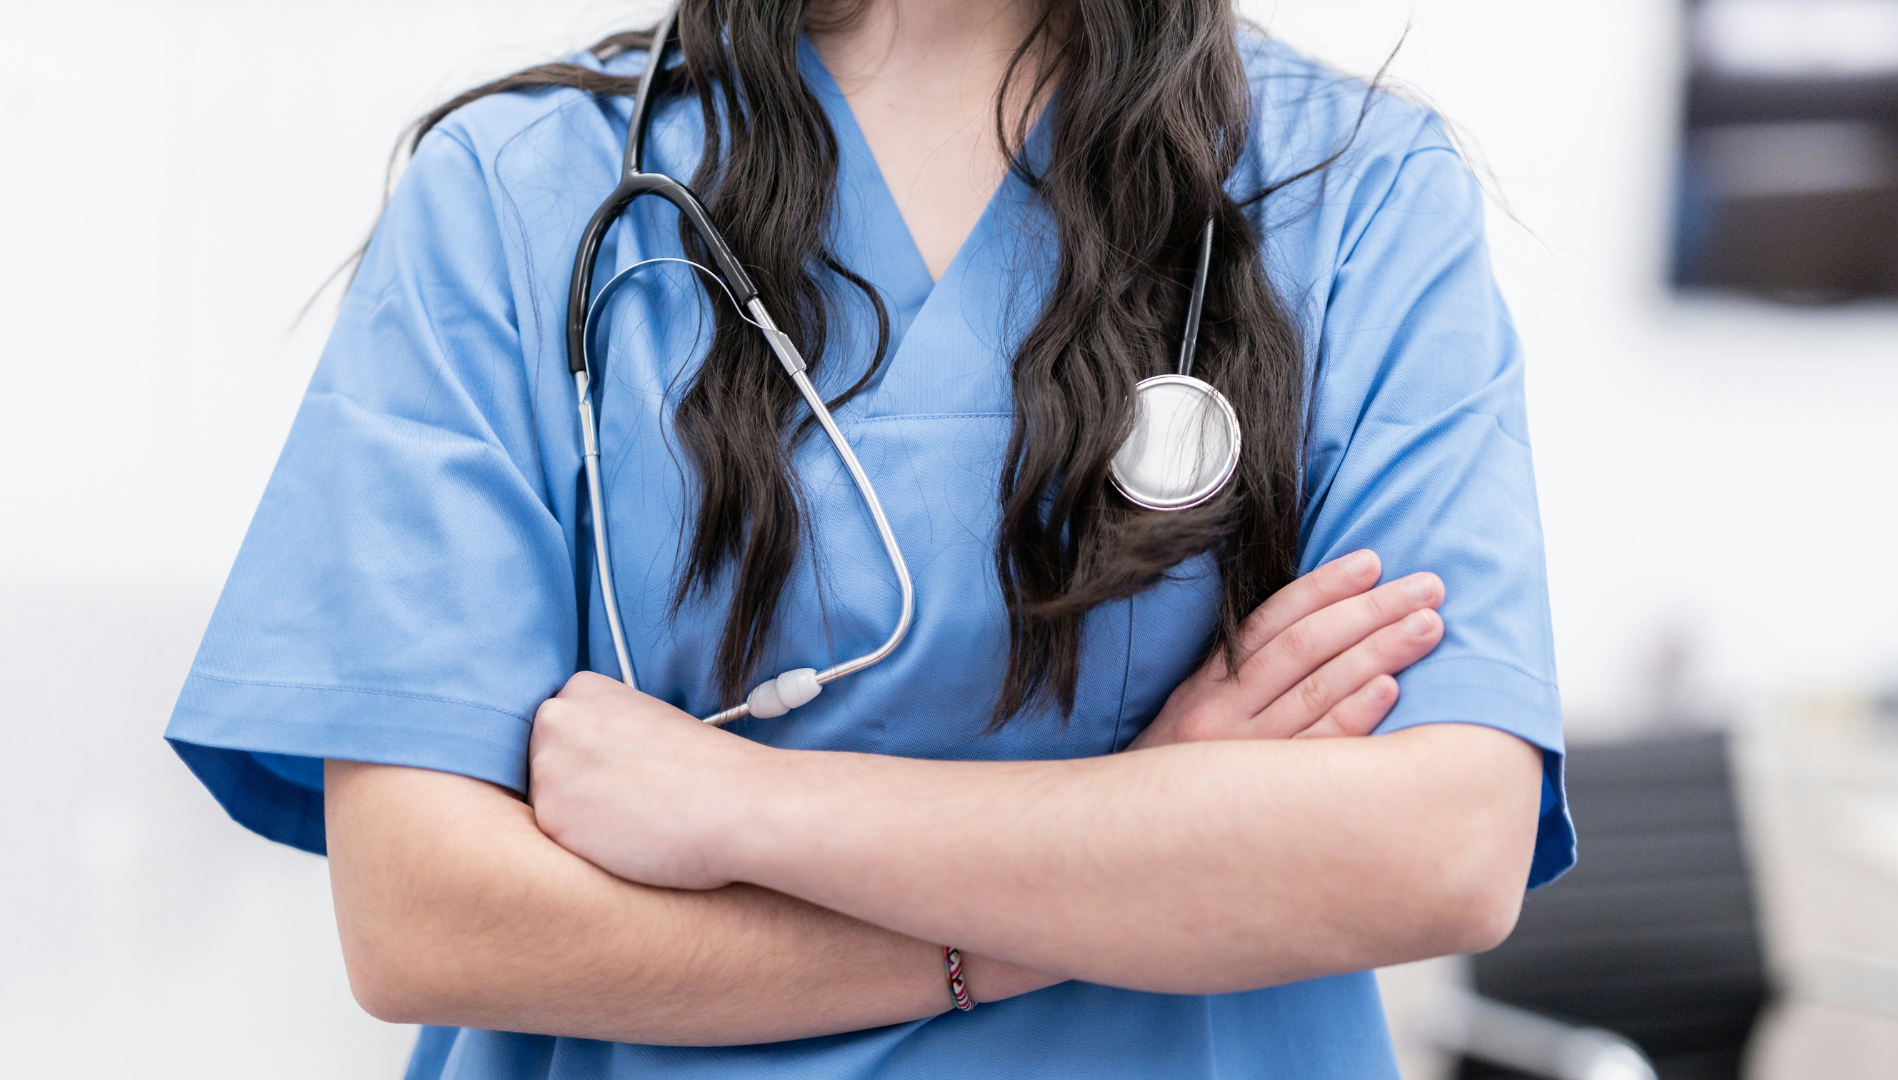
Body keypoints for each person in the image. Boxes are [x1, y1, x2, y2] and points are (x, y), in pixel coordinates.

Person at [165, 1, 1572, 1077]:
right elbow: (429, 917)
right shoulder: (519, 198)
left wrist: (741, 808)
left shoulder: (1356, 196)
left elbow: (1439, 846)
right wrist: (1132, 853)